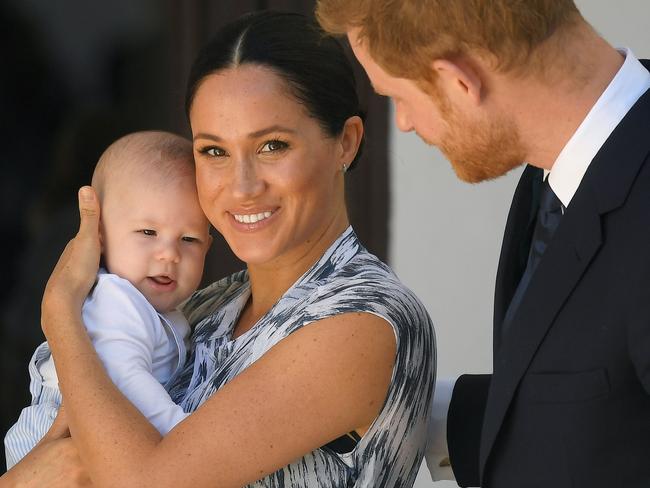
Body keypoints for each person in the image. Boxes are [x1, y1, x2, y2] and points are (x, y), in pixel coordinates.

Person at [0, 11, 435, 487]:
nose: (242, 187)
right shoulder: (207, 305)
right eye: (214, 151)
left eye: (272, 146)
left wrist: (61, 311)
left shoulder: (363, 320)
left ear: (345, 144)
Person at [316, 1, 650, 487]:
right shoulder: (561, 167)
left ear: (459, 81)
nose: (404, 123)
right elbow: (605, 406)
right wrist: (394, 408)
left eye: (396, 97)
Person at [4, 131, 212, 469]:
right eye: (148, 232)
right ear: (99, 236)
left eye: (189, 240)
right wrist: (181, 433)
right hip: (57, 441)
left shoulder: (161, 309)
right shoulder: (116, 300)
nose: (170, 254)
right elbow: (124, 377)